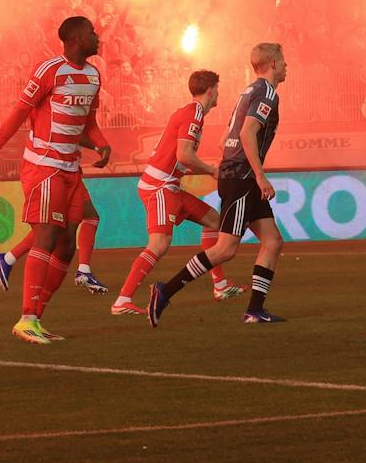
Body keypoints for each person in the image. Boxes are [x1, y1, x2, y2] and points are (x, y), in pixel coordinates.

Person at [0, 15, 110, 344]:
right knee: (47, 236)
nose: (97, 36)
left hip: (70, 168)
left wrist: (101, 143)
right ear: (77, 39)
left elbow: (87, 122)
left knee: (66, 245)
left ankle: (37, 317)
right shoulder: (49, 70)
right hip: (43, 165)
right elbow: (19, 112)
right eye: (92, 32)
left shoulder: (93, 76)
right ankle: (27, 317)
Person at [150, 43, 289, 326]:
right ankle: (166, 290)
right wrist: (259, 175)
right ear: (273, 64)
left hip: (237, 174)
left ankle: (255, 310)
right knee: (225, 248)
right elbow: (248, 132)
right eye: (284, 61)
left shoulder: (248, 92)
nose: (287, 66)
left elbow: (227, 135)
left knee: (273, 241)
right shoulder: (266, 93)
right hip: (242, 177)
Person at [112, 71, 239, 315]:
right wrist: (212, 171)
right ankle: (122, 299)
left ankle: (220, 286)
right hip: (160, 187)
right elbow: (184, 155)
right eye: (218, 89)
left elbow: (179, 155)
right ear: (210, 90)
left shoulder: (188, 111)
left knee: (214, 220)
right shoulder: (194, 113)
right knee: (159, 244)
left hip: (169, 185)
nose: (218, 95)